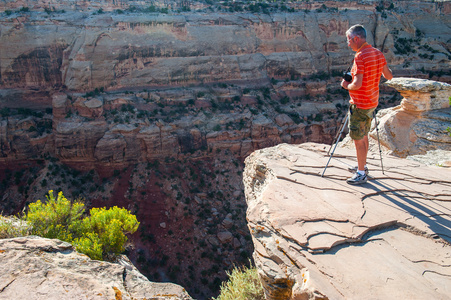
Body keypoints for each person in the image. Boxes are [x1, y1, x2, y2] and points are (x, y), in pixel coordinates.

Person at [341, 24, 393, 185]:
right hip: (372, 102)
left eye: (348, 40)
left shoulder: (360, 56)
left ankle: (361, 173)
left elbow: (356, 84)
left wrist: (345, 85)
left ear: (356, 39)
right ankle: (362, 166)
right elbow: (389, 76)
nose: (348, 43)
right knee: (364, 135)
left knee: (358, 139)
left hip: (360, 104)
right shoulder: (377, 53)